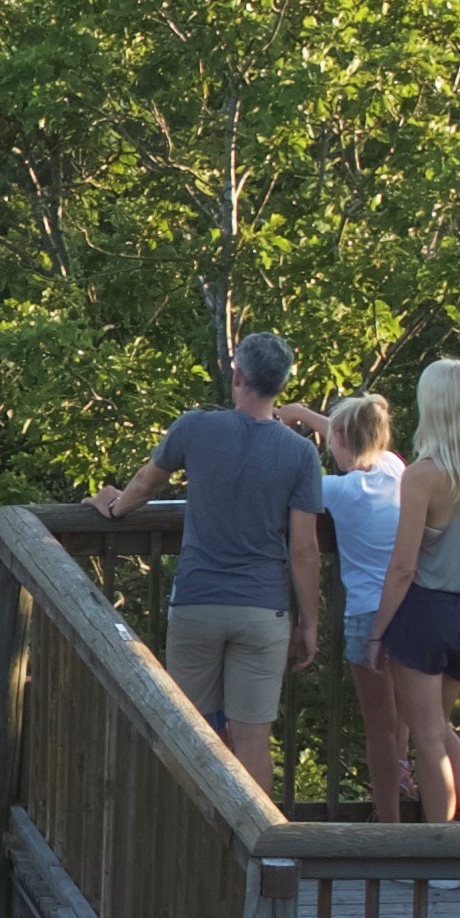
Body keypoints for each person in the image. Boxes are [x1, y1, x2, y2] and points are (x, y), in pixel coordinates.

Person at [89, 330, 327, 785]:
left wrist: (114, 507)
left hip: (197, 602)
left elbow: (145, 483)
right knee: (253, 740)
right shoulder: (300, 454)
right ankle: (257, 851)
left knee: (192, 736)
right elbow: (304, 549)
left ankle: (195, 846)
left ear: (238, 375)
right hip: (262, 609)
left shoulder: (195, 427)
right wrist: (309, 622)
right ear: (280, 385)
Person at [368, 357, 460, 827]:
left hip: (427, 611)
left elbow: (404, 566)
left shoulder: (424, 474)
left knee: (428, 741)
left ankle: (441, 849)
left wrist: (376, 635)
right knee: (441, 731)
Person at [308, 391, 408, 814]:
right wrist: (307, 417)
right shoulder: (395, 468)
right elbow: (357, 436)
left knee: (379, 728)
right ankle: (407, 789)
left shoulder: (338, 490)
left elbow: (290, 480)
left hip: (367, 614)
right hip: (409, 607)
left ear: (341, 437)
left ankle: (388, 823)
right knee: (407, 716)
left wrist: (290, 423)